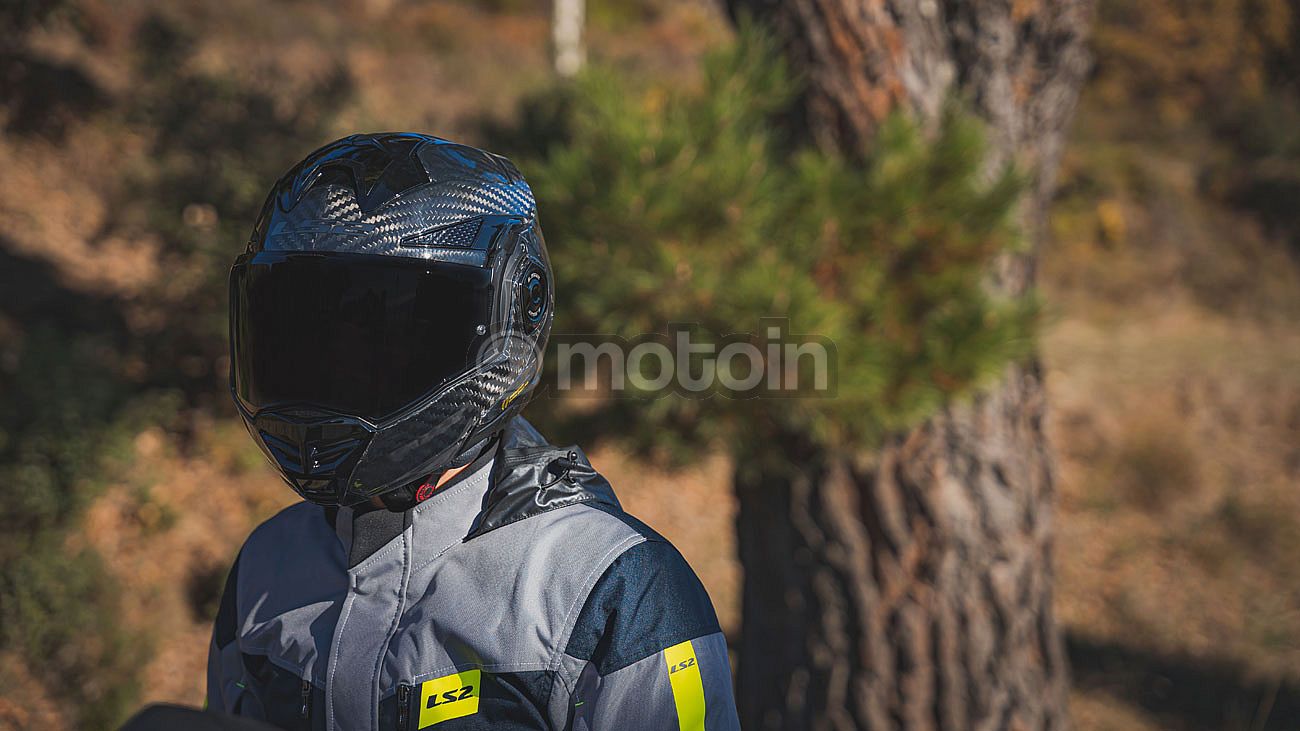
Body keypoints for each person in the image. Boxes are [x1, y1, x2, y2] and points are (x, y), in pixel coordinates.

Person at [207, 133, 740, 731]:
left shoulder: (606, 589)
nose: (336, 374)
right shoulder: (267, 566)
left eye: (382, 342)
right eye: (309, 339)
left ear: (507, 322)